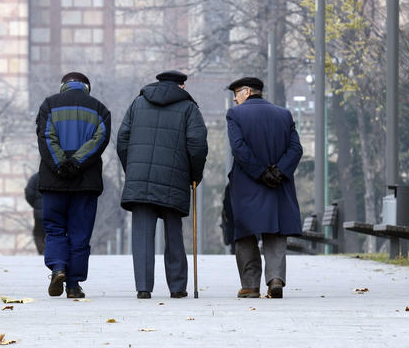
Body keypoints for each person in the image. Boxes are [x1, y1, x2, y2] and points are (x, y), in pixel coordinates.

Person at [117, 70, 208, 299]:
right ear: (182, 86)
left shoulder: (138, 103)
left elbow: (122, 139)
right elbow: (197, 145)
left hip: (140, 178)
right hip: (174, 178)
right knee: (174, 233)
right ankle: (177, 287)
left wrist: (133, 168)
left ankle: (143, 288)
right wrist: (194, 176)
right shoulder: (188, 108)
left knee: (142, 234)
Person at [226, 77, 302, 299]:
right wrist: (279, 171)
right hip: (280, 183)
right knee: (276, 229)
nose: (234, 98)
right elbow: (296, 149)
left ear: (247, 92)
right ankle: (275, 278)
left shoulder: (235, 114)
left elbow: (239, 149)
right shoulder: (284, 114)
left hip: (248, 183)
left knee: (245, 232)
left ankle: (250, 285)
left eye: (237, 93)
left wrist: (260, 172)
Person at [36, 72, 111, 299]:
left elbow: (47, 137)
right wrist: (76, 163)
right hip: (85, 182)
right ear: (87, 87)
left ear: (63, 86)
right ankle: (73, 285)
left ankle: (58, 268)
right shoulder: (100, 109)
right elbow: (99, 140)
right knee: (80, 233)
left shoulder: (49, 104)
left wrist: (61, 164)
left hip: (54, 181)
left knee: (55, 228)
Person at [24, 172, 45, 254]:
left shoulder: (35, 177)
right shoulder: (55, 176)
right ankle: (50, 251)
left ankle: (43, 250)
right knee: (53, 231)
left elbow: (29, 193)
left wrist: (35, 205)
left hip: (39, 213)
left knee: (38, 233)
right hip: (55, 210)